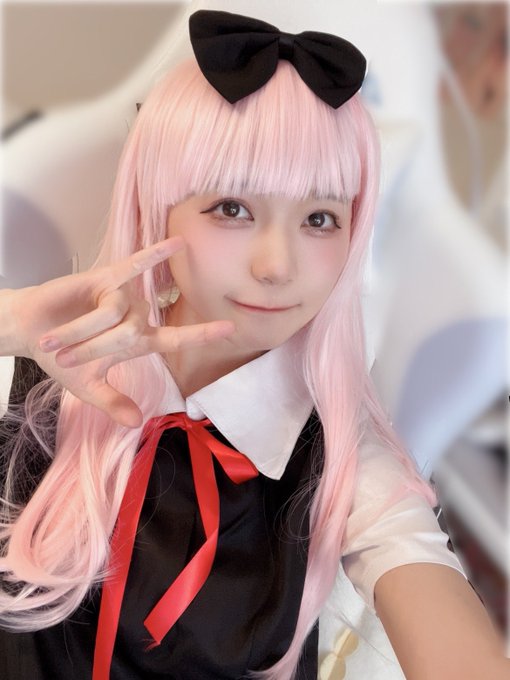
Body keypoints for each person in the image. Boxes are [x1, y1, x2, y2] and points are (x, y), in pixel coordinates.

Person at [0, 9, 507, 680]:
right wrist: (10, 322)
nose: (277, 265)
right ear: (158, 206)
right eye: (232, 209)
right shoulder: (43, 368)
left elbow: (425, 583)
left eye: (320, 218)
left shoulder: (342, 455)